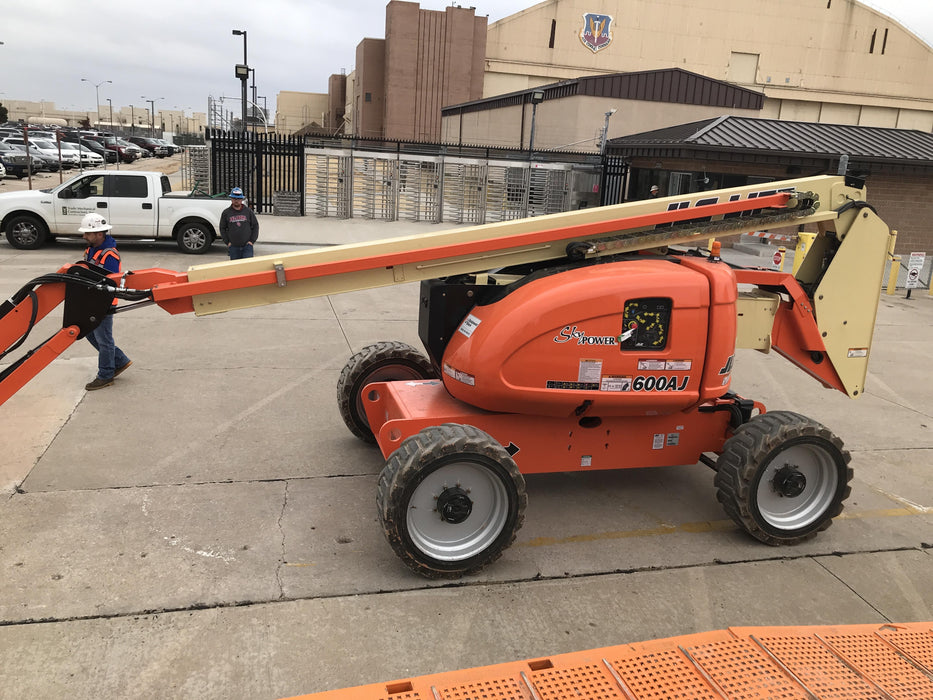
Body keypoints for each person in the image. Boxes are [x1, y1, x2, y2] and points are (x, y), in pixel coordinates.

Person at [79, 213, 132, 391]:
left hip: (104, 302)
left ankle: (106, 375)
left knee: (103, 339)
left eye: (88, 233)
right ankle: (120, 360)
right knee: (89, 333)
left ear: (99, 234)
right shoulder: (91, 250)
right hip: (92, 299)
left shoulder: (110, 254)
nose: (84, 236)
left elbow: (109, 281)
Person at [219, 187, 259, 259]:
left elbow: (255, 226)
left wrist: (252, 241)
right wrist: (227, 242)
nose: (236, 200)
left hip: (247, 247)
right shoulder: (226, 213)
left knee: (247, 265)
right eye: (234, 198)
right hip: (233, 247)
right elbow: (222, 228)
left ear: (242, 199)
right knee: (236, 266)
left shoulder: (248, 211)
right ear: (231, 199)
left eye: (238, 199)